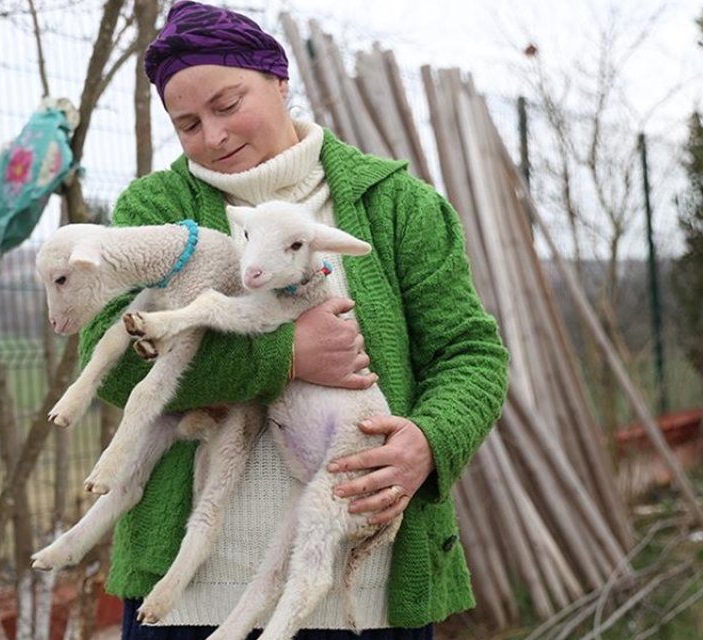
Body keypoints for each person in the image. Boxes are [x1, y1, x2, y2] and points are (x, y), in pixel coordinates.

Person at [77, 2, 509, 637]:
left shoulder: (397, 205)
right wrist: (284, 355)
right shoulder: (158, 206)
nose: (214, 136)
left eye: (228, 105)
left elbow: (471, 353)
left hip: (364, 599)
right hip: (188, 605)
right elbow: (109, 357)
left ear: (280, 81)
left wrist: (428, 442)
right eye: (188, 123)